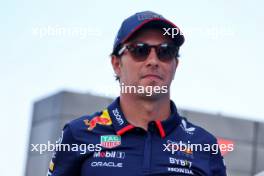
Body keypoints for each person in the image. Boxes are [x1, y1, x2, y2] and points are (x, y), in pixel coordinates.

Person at [47, 11, 227, 176]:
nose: (153, 61)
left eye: (165, 51)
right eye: (140, 50)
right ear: (117, 64)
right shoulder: (79, 133)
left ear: (175, 65)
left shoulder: (205, 145)